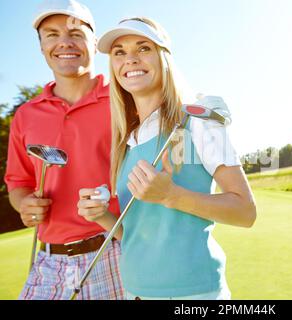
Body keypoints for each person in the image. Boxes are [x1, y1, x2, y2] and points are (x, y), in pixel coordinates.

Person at [77, 17, 257, 300]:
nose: (131, 59)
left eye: (143, 48)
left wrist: (171, 195)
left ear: (164, 57)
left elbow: (246, 212)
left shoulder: (197, 118)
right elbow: (136, 234)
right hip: (134, 292)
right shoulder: (126, 140)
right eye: (119, 52)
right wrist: (102, 216)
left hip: (193, 294)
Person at [4, 0, 125, 299]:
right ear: (42, 46)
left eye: (75, 32)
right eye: (51, 34)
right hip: (49, 259)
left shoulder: (125, 101)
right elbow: (18, 184)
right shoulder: (26, 115)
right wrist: (24, 204)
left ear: (94, 42)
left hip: (115, 251)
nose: (64, 43)